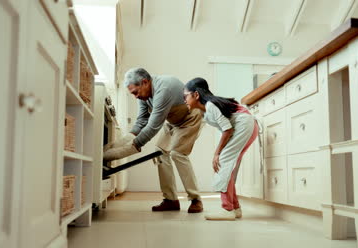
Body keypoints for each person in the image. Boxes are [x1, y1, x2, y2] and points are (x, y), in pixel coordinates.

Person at [103, 68, 204, 213]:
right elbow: (142, 120)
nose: (135, 97)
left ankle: (195, 199)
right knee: (159, 152)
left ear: (144, 82)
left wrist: (134, 146)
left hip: (190, 118)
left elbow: (153, 126)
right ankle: (171, 200)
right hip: (173, 121)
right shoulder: (144, 96)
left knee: (178, 154)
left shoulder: (164, 88)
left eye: (135, 92)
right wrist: (127, 139)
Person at [183, 77, 258, 220]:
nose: (184, 100)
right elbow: (228, 128)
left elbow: (227, 130)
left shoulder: (210, 106)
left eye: (185, 96)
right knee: (227, 167)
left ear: (196, 95)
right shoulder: (205, 110)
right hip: (247, 126)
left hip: (245, 125)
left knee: (222, 162)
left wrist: (217, 153)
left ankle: (227, 209)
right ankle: (234, 208)